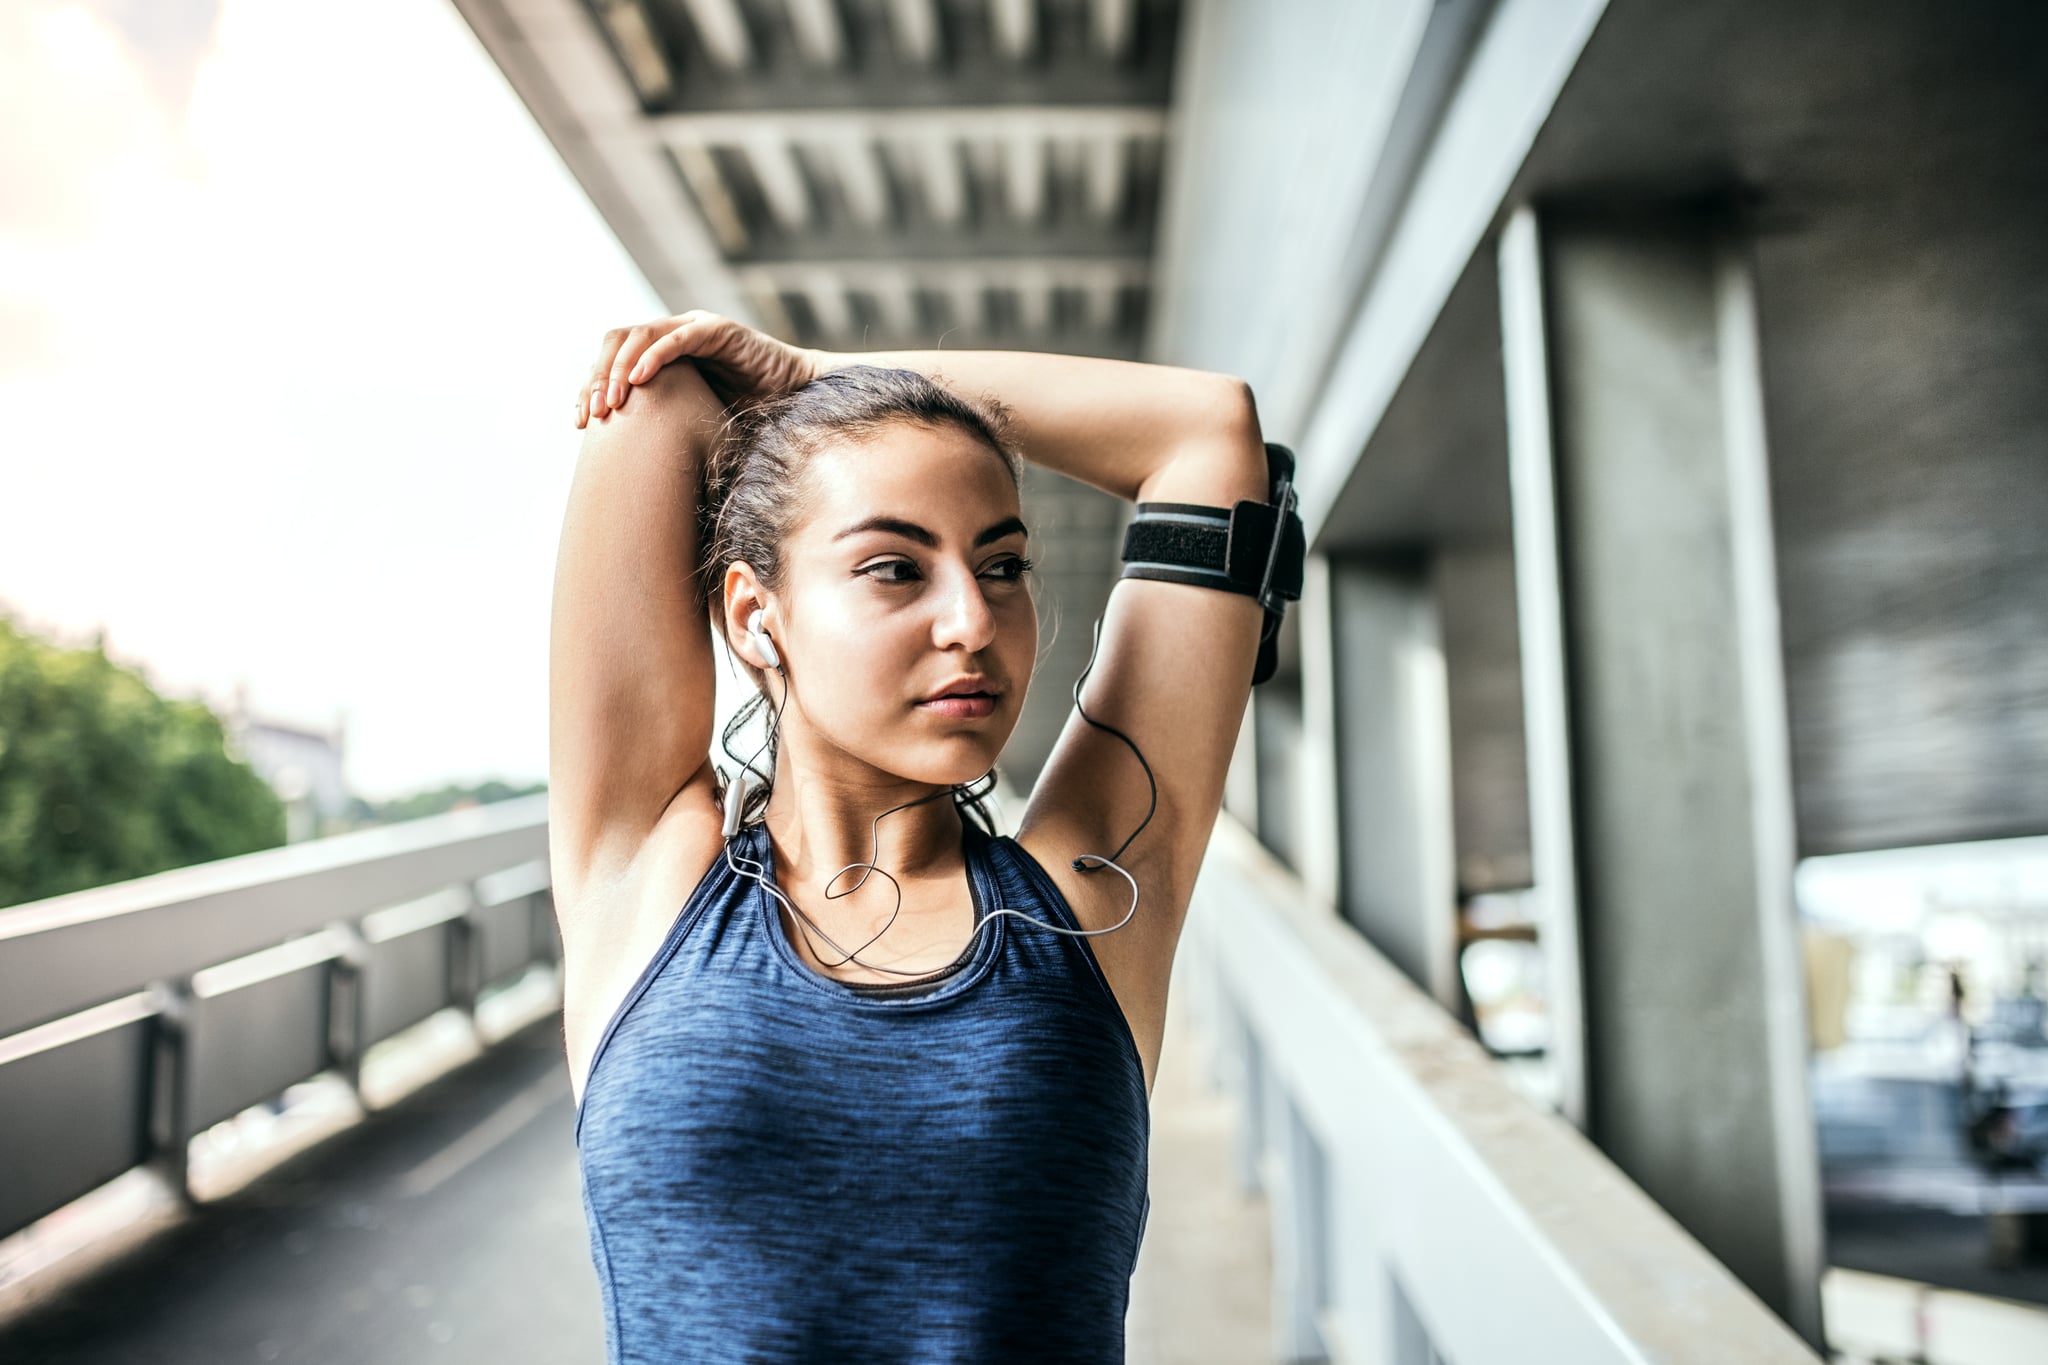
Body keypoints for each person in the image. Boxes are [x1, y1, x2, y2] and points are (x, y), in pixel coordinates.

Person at [550, 310, 1280, 1363]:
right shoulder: (648, 879)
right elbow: (656, 396)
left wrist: (813, 373)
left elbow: (1207, 431)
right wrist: (806, 402)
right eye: (895, 568)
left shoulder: (1090, 897)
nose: (972, 622)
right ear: (756, 615)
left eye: (1000, 565)